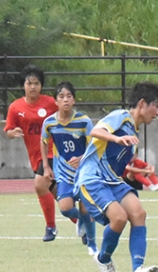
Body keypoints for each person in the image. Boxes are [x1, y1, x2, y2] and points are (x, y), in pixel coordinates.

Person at [75, 81, 158, 272]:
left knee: (139, 214)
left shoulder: (135, 131)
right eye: (156, 106)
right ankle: (103, 259)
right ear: (142, 103)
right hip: (93, 178)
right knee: (119, 218)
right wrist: (116, 139)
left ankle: (137, 271)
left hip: (112, 180)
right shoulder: (120, 116)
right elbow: (96, 131)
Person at [4, 65, 65, 242]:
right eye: (29, 83)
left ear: (41, 85)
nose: (32, 87)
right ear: (23, 85)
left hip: (54, 152)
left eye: (36, 83)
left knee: (39, 184)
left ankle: (51, 227)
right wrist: (12, 133)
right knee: (61, 199)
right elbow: (8, 129)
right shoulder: (15, 107)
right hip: (36, 157)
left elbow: (67, 116)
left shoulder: (50, 103)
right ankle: (81, 223)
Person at [40, 81, 98, 255]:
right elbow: (43, 142)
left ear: (74, 100)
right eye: (61, 96)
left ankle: (92, 245)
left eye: (69, 96)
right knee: (65, 209)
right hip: (64, 174)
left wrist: (82, 158)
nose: (65, 100)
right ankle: (81, 221)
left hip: (84, 172)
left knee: (86, 208)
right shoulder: (49, 123)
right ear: (56, 101)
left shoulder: (84, 121)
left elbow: (95, 145)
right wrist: (45, 167)